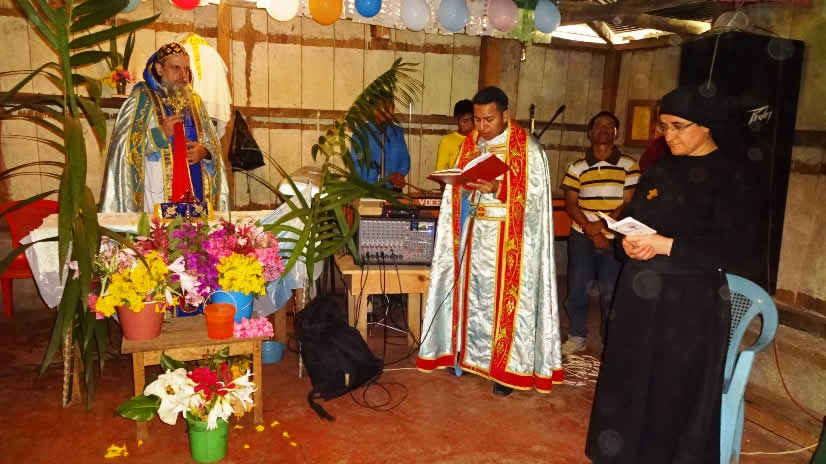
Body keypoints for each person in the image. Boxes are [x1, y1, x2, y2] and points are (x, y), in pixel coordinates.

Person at [585, 86, 758, 463]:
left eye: (679, 126)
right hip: (640, 297)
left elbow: (733, 249)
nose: (669, 136)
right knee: (631, 380)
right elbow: (636, 224)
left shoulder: (731, 176)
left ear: (706, 125)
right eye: (664, 127)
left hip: (690, 304)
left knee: (674, 388)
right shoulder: (659, 172)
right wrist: (628, 245)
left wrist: (666, 245)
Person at [416, 86, 563, 396]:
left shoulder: (528, 150)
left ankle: (505, 371)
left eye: (489, 119)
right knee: (473, 302)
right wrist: (459, 184)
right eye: (477, 119)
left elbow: (537, 203)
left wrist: (499, 189)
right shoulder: (470, 145)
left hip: (511, 244)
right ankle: (468, 358)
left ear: (506, 115)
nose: (482, 127)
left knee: (503, 308)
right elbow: (458, 193)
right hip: (474, 236)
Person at [100, 42, 230, 213]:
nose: (183, 76)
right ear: (159, 68)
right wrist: (160, 134)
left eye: (186, 69)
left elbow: (212, 144)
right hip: (155, 194)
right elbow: (123, 150)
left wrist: (205, 152)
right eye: (176, 68)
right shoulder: (141, 99)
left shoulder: (195, 102)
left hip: (196, 194)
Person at [560, 111, 639, 354]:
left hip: (615, 237)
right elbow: (570, 203)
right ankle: (577, 336)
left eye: (609, 126)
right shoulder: (577, 167)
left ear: (616, 133)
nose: (604, 129)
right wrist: (591, 230)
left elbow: (628, 203)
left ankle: (608, 340)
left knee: (610, 291)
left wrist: (603, 228)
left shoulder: (630, 165)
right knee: (577, 288)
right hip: (582, 236)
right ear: (590, 132)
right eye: (599, 125)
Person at [349, 98, 410, 191]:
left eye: (392, 108)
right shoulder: (361, 133)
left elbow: (405, 159)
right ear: (374, 110)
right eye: (386, 108)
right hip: (369, 190)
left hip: (393, 191)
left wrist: (400, 175)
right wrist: (387, 176)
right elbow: (357, 164)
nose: (391, 112)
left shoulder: (397, 131)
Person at [435, 99, 474, 171]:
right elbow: (440, 169)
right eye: (465, 121)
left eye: (472, 120)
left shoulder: (480, 138)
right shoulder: (447, 141)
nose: (470, 124)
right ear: (457, 120)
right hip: (455, 177)